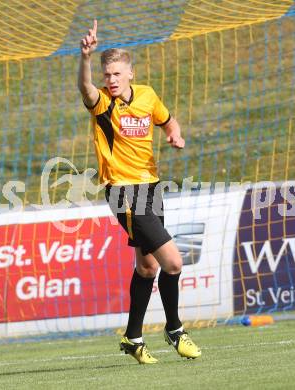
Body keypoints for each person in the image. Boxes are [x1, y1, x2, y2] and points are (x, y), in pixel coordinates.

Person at [78, 20, 201, 364]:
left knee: (147, 268)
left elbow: (167, 119)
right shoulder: (103, 105)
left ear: (130, 73)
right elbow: (84, 87)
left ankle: (133, 338)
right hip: (122, 193)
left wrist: (174, 134)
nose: (111, 80)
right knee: (173, 262)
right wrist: (84, 57)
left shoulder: (147, 96)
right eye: (107, 75)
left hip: (151, 188)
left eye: (117, 73)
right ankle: (175, 330)